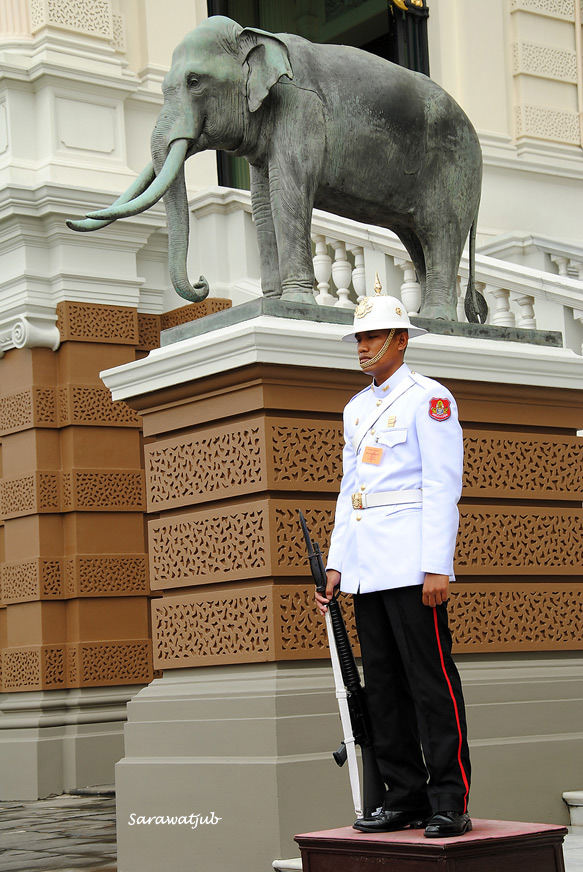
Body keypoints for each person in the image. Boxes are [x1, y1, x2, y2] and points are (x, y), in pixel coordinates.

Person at [315, 280, 471, 838]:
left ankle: (448, 799)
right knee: (381, 683)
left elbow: (441, 484)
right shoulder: (356, 409)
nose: (362, 346)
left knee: (430, 682)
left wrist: (437, 565)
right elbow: (348, 491)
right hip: (367, 569)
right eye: (358, 337)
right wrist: (336, 565)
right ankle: (404, 796)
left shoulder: (430, 399)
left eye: (374, 335)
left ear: (401, 340)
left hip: (411, 564)